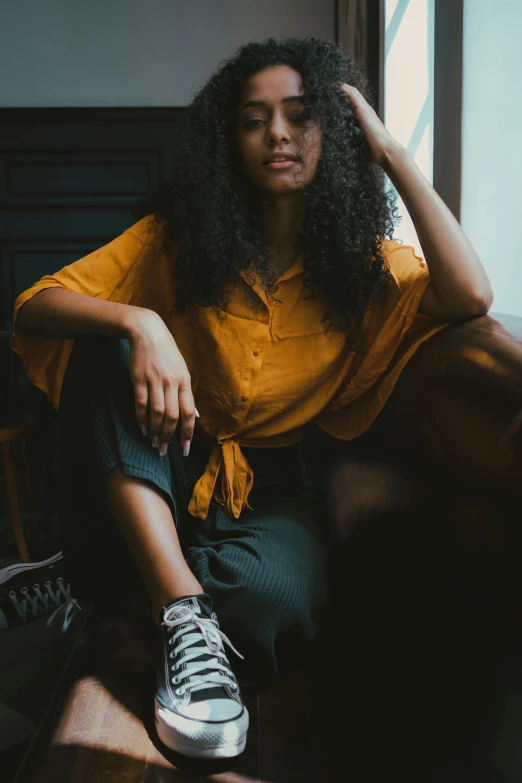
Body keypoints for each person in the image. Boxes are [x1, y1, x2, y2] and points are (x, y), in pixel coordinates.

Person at [10, 35, 492, 761]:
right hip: (157, 461)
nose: (278, 134)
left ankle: (95, 577)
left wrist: (391, 151)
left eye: (301, 115)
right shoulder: (177, 241)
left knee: (274, 610)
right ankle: (175, 605)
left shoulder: (369, 269)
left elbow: (471, 295)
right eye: (254, 119)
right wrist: (141, 321)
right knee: (105, 343)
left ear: (335, 130)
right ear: (228, 142)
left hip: (270, 490)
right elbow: (33, 305)